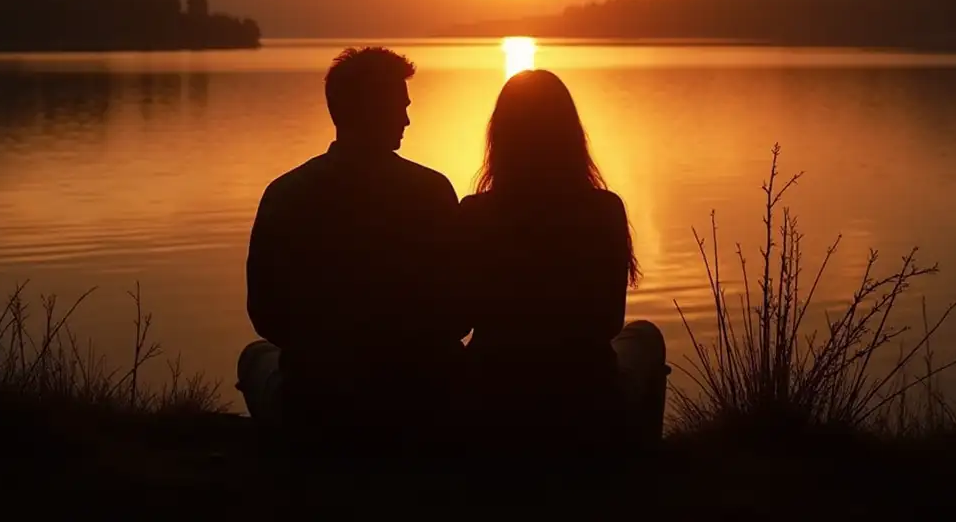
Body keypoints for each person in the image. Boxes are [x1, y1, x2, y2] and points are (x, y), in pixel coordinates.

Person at [237, 47, 468, 457]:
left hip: (320, 407)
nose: (407, 119)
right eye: (399, 106)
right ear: (371, 110)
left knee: (256, 357)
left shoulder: (286, 193)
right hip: (424, 403)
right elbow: (461, 314)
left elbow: (265, 315)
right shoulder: (432, 192)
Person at [459, 69, 668, 456]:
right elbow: (609, 323)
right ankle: (638, 462)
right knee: (645, 337)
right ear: (571, 136)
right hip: (582, 394)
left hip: (495, 396)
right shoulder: (605, 209)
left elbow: (460, 319)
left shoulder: (474, 213)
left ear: (499, 138)